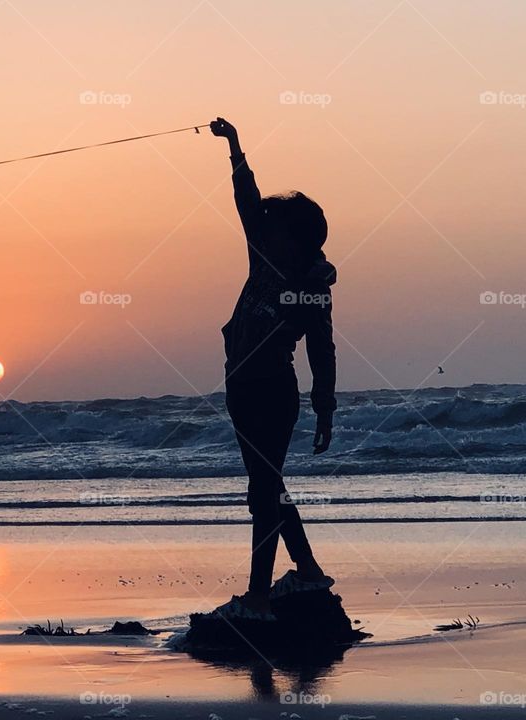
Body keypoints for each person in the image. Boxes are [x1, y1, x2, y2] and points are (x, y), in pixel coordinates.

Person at [211, 116, 336, 618]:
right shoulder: (263, 257)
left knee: (264, 492)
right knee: (268, 489)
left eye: (278, 229)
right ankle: (306, 571)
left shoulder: (311, 285)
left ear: (299, 240)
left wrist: (324, 411)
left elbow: (321, 352)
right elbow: (247, 202)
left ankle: (260, 597)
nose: (266, 231)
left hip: (272, 392)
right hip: (239, 390)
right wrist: (236, 147)